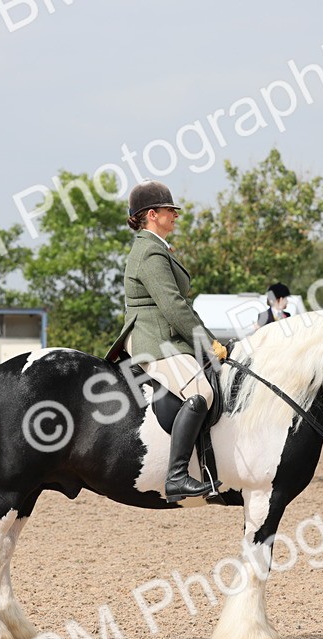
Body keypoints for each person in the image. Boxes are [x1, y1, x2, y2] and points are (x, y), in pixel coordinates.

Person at [105, 180, 229, 501]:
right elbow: (173, 305)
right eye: (169, 211)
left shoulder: (158, 247)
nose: (175, 216)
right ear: (151, 215)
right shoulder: (149, 252)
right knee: (200, 392)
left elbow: (181, 306)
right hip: (153, 338)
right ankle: (176, 476)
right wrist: (207, 343)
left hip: (167, 336)